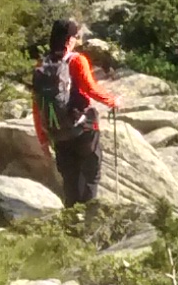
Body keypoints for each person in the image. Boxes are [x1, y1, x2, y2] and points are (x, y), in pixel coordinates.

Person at [33, 16, 119, 204]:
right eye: (75, 36)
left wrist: (42, 137)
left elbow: (37, 103)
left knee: (70, 179)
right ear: (69, 39)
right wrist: (112, 101)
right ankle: (87, 216)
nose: (77, 40)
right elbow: (90, 88)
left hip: (58, 132)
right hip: (83, 127)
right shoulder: (77, 60)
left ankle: (72, 217)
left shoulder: (41, 65)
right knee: (91, 174)